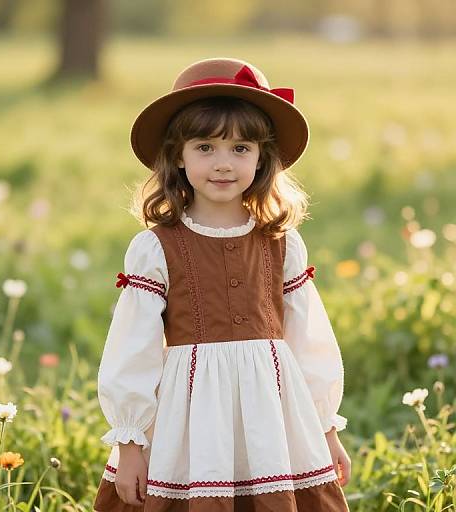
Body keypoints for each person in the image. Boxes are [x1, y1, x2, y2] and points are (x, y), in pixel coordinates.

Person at [93, 57, 351, 511]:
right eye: (205, 147)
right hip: (190, 423)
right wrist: (131, 443)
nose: (223, 164)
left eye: (240, 149)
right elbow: (132, 348)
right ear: (178, 154)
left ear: (262, 156)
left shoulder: (282, 244)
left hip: (272, 422)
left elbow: (310, 344)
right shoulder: (155, 249)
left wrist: (325, 430)